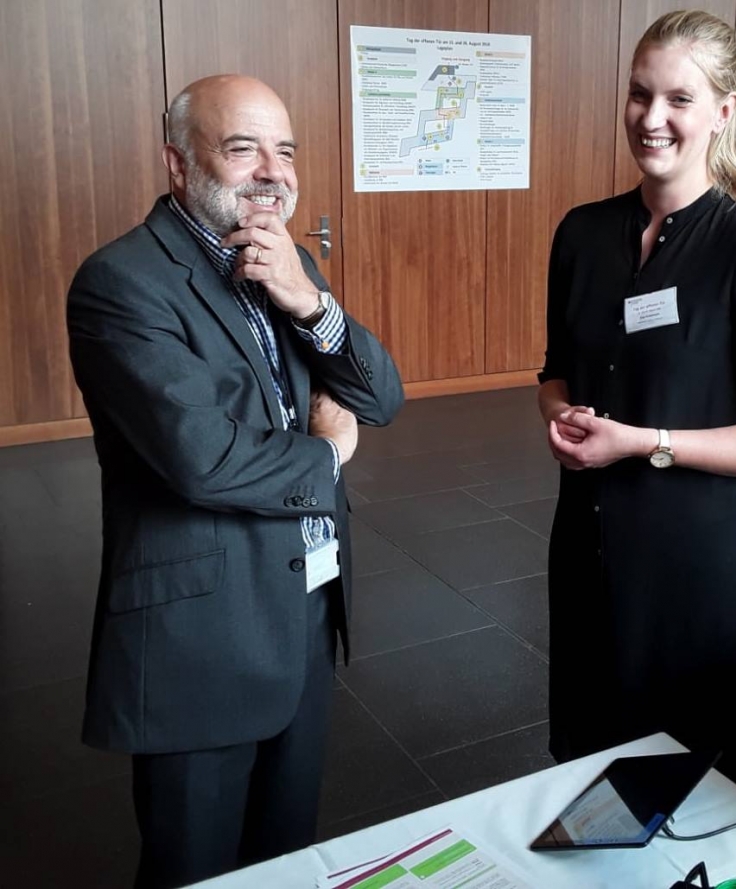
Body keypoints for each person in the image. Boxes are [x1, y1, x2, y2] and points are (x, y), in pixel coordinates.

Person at [66, 75, 404, 888]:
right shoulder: (122, 282)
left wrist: (309, 302)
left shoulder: (288, 261)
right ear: (178, 162)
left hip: (302, 609)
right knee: (197, 867)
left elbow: (380, 396)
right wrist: (327, 451)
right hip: (202, 639)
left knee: (286, 857)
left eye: (284, 150)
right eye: (243, 147)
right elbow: (203, 457)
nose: (272, 172)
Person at [537, 10, 736, 799]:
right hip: (589, 565)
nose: (651, 118)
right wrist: (559, 414)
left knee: (696, 812)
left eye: (679, 99)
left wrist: (642, 441)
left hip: (698, 585)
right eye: (639, 94)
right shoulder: (582, 234)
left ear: (722, 112)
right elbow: (556, 374)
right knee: (593, 797)